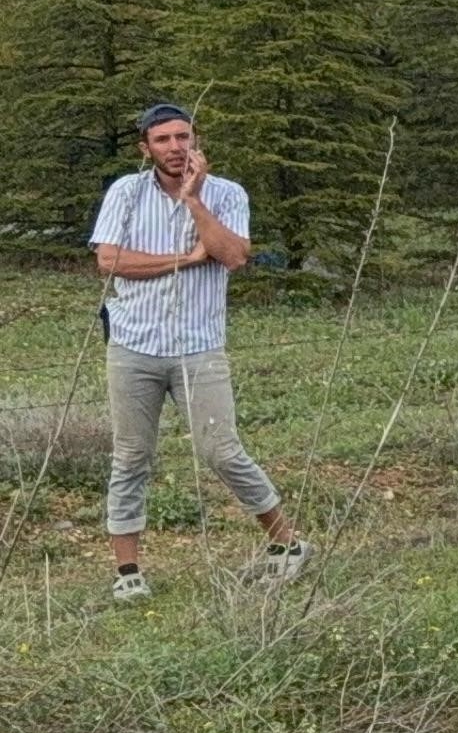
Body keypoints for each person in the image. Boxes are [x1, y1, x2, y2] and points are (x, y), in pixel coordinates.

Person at [88, 101, 305, 602]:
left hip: (199, 347)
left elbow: (232, 255)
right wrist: (185, 259)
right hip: (133, 345)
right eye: (162, 140)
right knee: (131, 455)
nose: (175, 148)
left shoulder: (228, 193)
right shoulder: (125, 191)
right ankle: (128, 572)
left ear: (196, 140)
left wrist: (194, 200)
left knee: (221, 451)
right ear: (146, 148)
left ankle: (287, 544)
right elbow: (109, 260)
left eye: (182, 137)